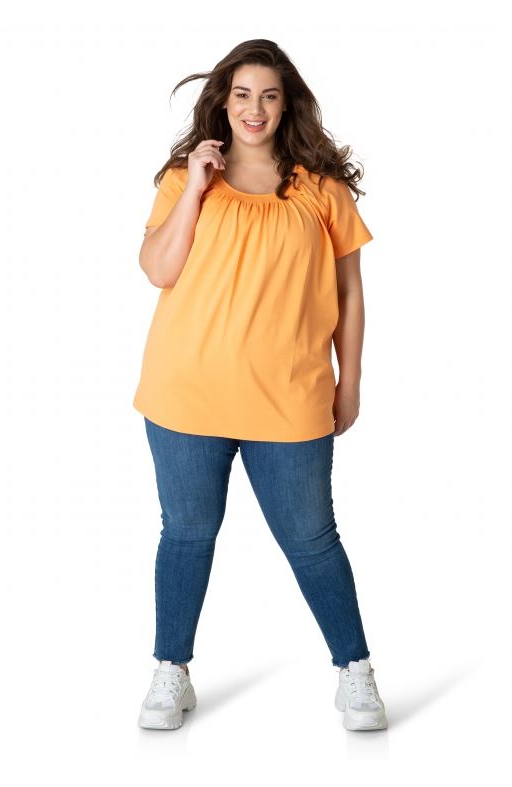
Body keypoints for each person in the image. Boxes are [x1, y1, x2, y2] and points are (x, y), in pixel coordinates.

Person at [133, 39, 388, 732]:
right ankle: (170, 669)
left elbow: (349, 294)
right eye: (242, 94)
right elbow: (158, 270)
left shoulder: (321, 189)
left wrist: (350, 382)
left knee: (312, 538)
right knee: (186, 535)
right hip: (186, 393)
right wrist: (195, 186)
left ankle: (355, 670)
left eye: (269, 95)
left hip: (290, 394)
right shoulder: (185, 178)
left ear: (286, 104)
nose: (255, 108)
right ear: (222, 101)